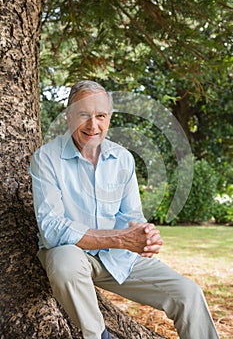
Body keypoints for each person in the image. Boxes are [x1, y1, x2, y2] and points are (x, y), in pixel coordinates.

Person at [30, 80, 220, 339]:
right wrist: (120, 238)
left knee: (189, 294)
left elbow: (131, 218)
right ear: (69, 116)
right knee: (64, 261)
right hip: (74, 257)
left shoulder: (122, 158)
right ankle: (99, 336)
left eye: (100, 116)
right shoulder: (46, 159)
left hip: (118, 258)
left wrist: (144, 235)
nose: (92, 125)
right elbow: (52, 230)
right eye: (84, 115)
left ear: (109, 118)